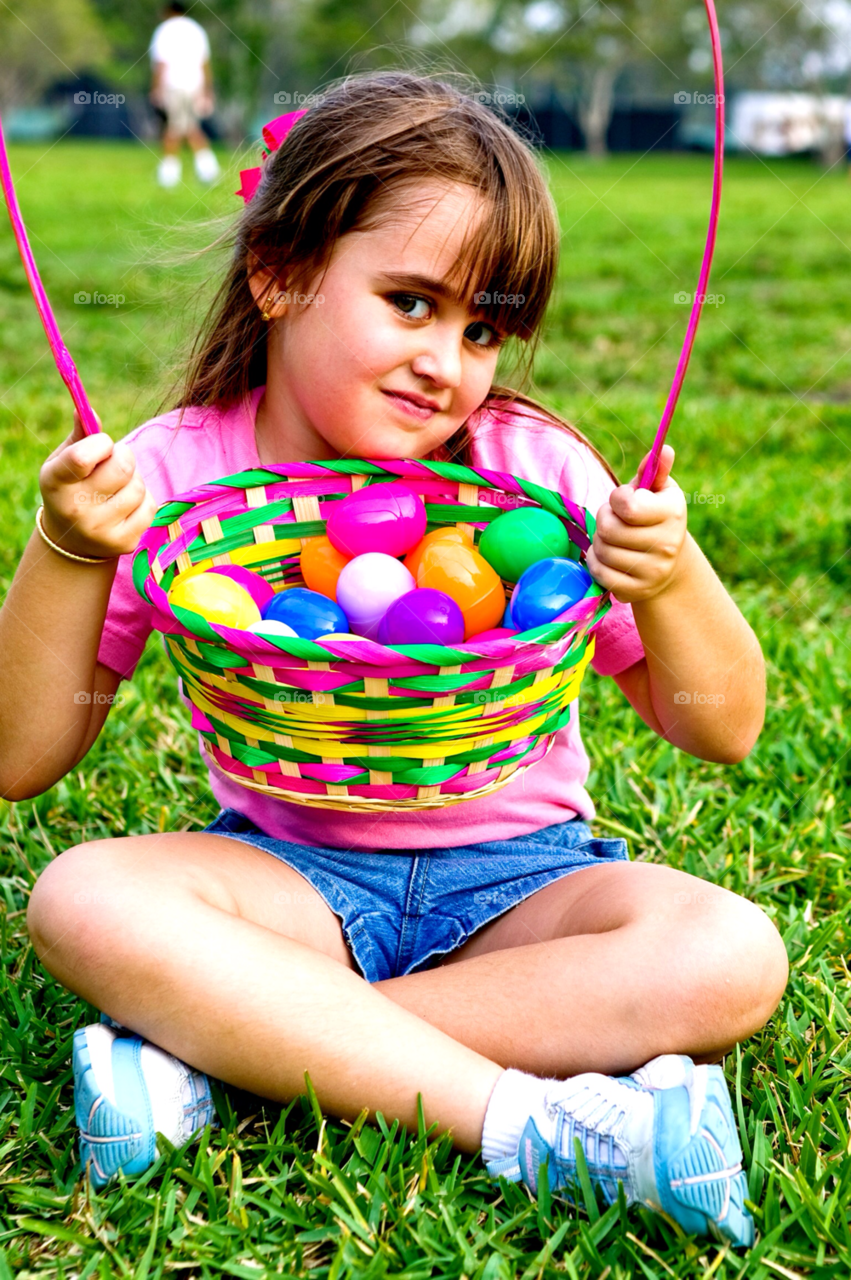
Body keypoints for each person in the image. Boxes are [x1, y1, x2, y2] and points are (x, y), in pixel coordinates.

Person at [5, 72, 787, 1246]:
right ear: (278, 273)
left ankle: (237, 1051)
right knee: (81, 897)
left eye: (483, 328)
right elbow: (21, 754)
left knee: (728, 953)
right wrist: (66, 546)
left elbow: (719, 723)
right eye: (412, 303)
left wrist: (672, 576)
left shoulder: (534, 473)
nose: (450, 363)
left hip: (523, 886)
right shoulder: (170, 478)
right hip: (288, 882)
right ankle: (534, 1122)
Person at [149, 1, 220, 188]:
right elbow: (205, 63)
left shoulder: (164, 30)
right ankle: (207, 168)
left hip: (173, 85)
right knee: (188, 125)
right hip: (194, 86)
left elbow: (161, 63)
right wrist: (207, 90)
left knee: (173, 127)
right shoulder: (196, 30)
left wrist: (156, 88)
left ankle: (169, 175)